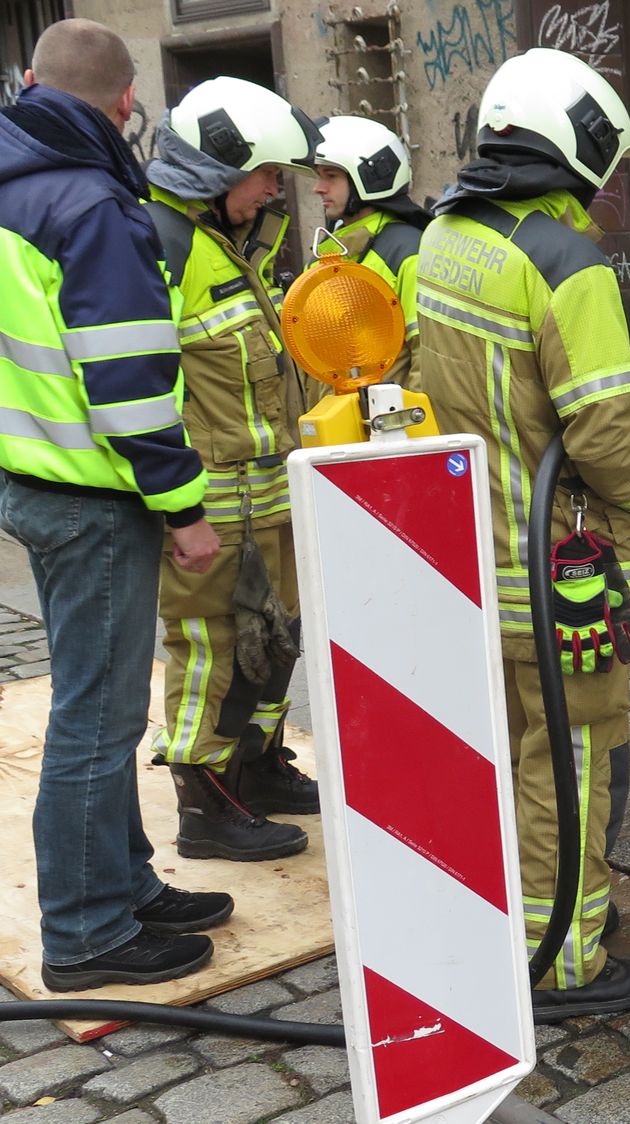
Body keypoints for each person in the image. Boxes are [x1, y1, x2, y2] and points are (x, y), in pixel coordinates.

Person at [418, 47, 630, 1018]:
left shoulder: (450, 238)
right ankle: (564, 961)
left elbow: (536, 397)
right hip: (563, 575)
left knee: (513, 758)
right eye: (610, 160)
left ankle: (509, 922)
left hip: (475, 560)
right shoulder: (569, 262)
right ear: (576, 147)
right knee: (577, 768)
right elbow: (593, 434)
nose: (613, 180)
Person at [0, 18, 231, 991]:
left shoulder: (14, 188)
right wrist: (184, 509)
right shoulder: (93, 205)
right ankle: (88, 930)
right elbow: (130, 383)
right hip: (93, 498)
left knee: (96, 705)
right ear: (126, 103)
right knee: (97, 720)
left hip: (32, 476)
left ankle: (125, 881)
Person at [144, 76, 323, 862]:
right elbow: (141, 386)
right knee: (211, 651)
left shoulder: (223, 247)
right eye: (266, 175)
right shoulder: (165, 246)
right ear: (219, 170)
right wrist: (178, 509)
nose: (274, 191)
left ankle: (255, 770)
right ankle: (203, 804)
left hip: (264, 500)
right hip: (210, 508)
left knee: (274, 640)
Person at [310, 115, 428, 386]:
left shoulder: (406, 251)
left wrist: (416, 425)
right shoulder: (327, 249)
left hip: (388, 424)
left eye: (331, 176)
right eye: (319, 176)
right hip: (334, 421)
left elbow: (425, 354)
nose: (318, 188)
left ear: (370, 176)